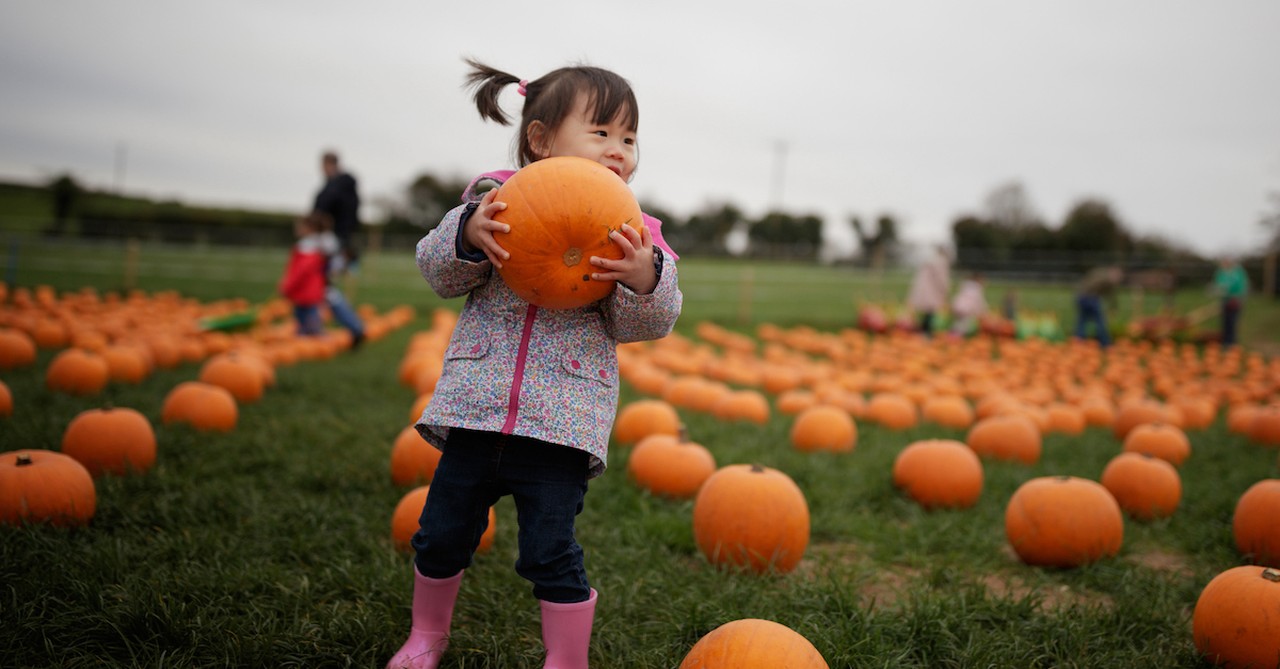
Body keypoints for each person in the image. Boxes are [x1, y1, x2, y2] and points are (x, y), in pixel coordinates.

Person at [386, 59, 682, 669]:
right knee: (441, 533)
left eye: (629, 138)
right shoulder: (493, 199)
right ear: (541, 139)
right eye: (600, 133)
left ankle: (566, 659)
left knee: (550, 551)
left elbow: (647, 325)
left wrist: (645, 278)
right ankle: (425, 637)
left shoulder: (636, 231)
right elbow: (439, 274)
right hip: (476, 412)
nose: (619, 150)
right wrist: (469, 235)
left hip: (560, 426)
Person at [311, 150, 366, 348]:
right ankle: (315, 327)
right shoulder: (337, 186)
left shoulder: (339, 185)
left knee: (324, 286)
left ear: (329, 164)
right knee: (322, 286)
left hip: (334, 242)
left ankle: (355, 328)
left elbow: (325, 210)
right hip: (334, 240)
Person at [277, 212, 330, 336]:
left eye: (299, 226)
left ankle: (314, 337)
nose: (296, 229)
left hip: (305, 292)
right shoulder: (314, 248)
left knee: (309, 323)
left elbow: (299, 273)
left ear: (309, 229)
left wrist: (287, 286)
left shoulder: (306, 250)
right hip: (309, 292)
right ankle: (308, 335)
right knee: (305, 320)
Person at [906, 244, 951, 336]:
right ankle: (927, 332)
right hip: (932, 289)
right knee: (931, 311)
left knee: (925, 311)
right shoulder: (941, 262)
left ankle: (922, 331)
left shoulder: (931, 260)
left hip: (924, 287)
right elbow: (942, 278)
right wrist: (945, 289)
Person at [1074, 265, 1124, 347]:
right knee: (1099, 321)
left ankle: (1079, 341)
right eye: (1117, 276)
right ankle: (1105, 343)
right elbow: (1092, 286)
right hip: (1087, 297)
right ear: (1112, 272)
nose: (1118, 279)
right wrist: (1092, 297)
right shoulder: (1103, 278)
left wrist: (1113, 307)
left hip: (1082, 296)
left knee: (1083, 320)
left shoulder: (1107, 279)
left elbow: (1111, 296)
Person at [1212, 256, 1248, 347]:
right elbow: (1219, 285)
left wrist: (1236, 297)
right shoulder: (1221, 273)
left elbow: (1242, 286)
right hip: (1224, 300)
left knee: (1232, 322)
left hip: (1235, 301)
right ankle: (1225, 342)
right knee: (1225, 322)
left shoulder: (1238, 272)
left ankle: (1232, 343)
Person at [950, 272, 988, 337]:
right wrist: (985, 311)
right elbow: (979, 301)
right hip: (966, 308)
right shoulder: (977, 289)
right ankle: (956, 336)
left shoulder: (966, 286)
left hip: (957, 305)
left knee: (958, 321)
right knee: (964, 323)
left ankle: (953, 332)